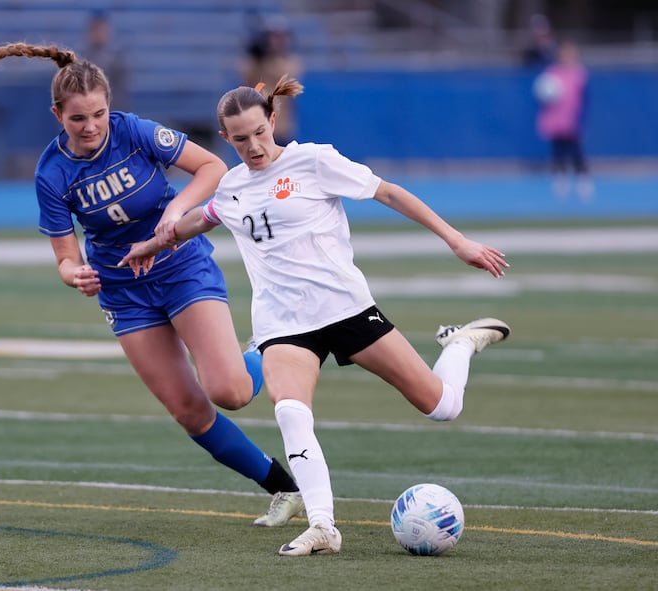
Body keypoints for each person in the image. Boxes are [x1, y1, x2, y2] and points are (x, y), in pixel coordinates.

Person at [120, 75, 512, 556]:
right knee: (289, 411)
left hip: (346, 309)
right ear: (225, 139)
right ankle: (324, 526)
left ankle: (459, 344)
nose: (253, 146)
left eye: (259, 133)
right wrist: (153, 244)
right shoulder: (231, 189)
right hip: (283, 325)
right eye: (240, 139)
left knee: (443, 406)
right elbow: (198, 221)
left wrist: (457, 240)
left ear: (273, 120)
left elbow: (389, 193)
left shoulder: (314, 161)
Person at [0, 43, 304, 527]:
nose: (91, 127)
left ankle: (268, 349)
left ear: (111, 106)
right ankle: (284, 488)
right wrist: (74, 275)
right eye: (78, 119)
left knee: (231, 392)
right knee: (191, 414)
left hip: (179, 265)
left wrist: (175, 211)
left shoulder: (134, 131)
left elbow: (211, 167)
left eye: (98, 114)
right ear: (56, 115)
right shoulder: (51, 173)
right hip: (123, 292)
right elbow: (66, 257)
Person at [534, 40, 593, 201]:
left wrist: (581, 120)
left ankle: (583, 183)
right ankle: (560, 184)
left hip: (572, 120)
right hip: (555, 121)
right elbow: (542, 96)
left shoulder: (579, 74)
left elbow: (585, 99)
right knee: (557, 153)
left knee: (576, 153)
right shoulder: (552, 73)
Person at [239, 15, 303, 147]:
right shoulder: (256, 62)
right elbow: (245, 75)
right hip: (257, 123)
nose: (279, 41)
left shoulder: (290, 62)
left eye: (282, 37)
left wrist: (267, 57)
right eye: (274, 37)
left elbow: (287, 77)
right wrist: (256, 56)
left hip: (281, 125)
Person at [81, 10, 130, 112]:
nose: (98, 33)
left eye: (101, 29)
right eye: (95, 29)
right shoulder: (82, 56)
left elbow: (121, 89)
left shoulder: (117, 57)